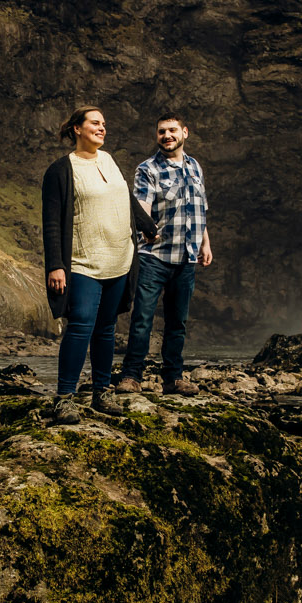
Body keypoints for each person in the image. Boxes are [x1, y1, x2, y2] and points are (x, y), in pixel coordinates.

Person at [41, 106, 156, 413]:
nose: (102, 128)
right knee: (80, 325)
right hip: (82, 262)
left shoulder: (108, 160)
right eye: (95, 123)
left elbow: (125, 198)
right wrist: (55, 265)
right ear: (77, 128)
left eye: (104, 124)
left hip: (119, 260)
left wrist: (147, 227)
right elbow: (52, 220)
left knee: (106, 329)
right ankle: (65, 399)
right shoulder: (61, 169)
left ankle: (101, 393)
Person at [118, 112, 211, 395]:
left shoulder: (195, 166)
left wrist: (206, 243)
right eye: (161, 132)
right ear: (156, 136)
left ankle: (173, 378)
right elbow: (142, 208)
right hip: (154, 257)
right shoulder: (147, 169)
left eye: (172, 130)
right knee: (142, 319)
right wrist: (146, 230)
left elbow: (200, 210)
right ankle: (132, 376)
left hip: (186, 258)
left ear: (185, 132)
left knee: (177, 322)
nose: (167, 136)